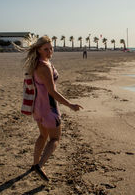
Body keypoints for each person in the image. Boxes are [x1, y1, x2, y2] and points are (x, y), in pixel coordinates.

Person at [23, 35, 83, 181]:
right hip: (49, 109)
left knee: (43, 136)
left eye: (51, 48)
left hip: (38, 107)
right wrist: (70, 105)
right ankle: (39, 166)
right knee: (55, 139)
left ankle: (34, 164)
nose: (50, 51)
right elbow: (52, 91)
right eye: (46, 49)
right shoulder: (44, 66)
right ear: (38, 50)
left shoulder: (37, 63)